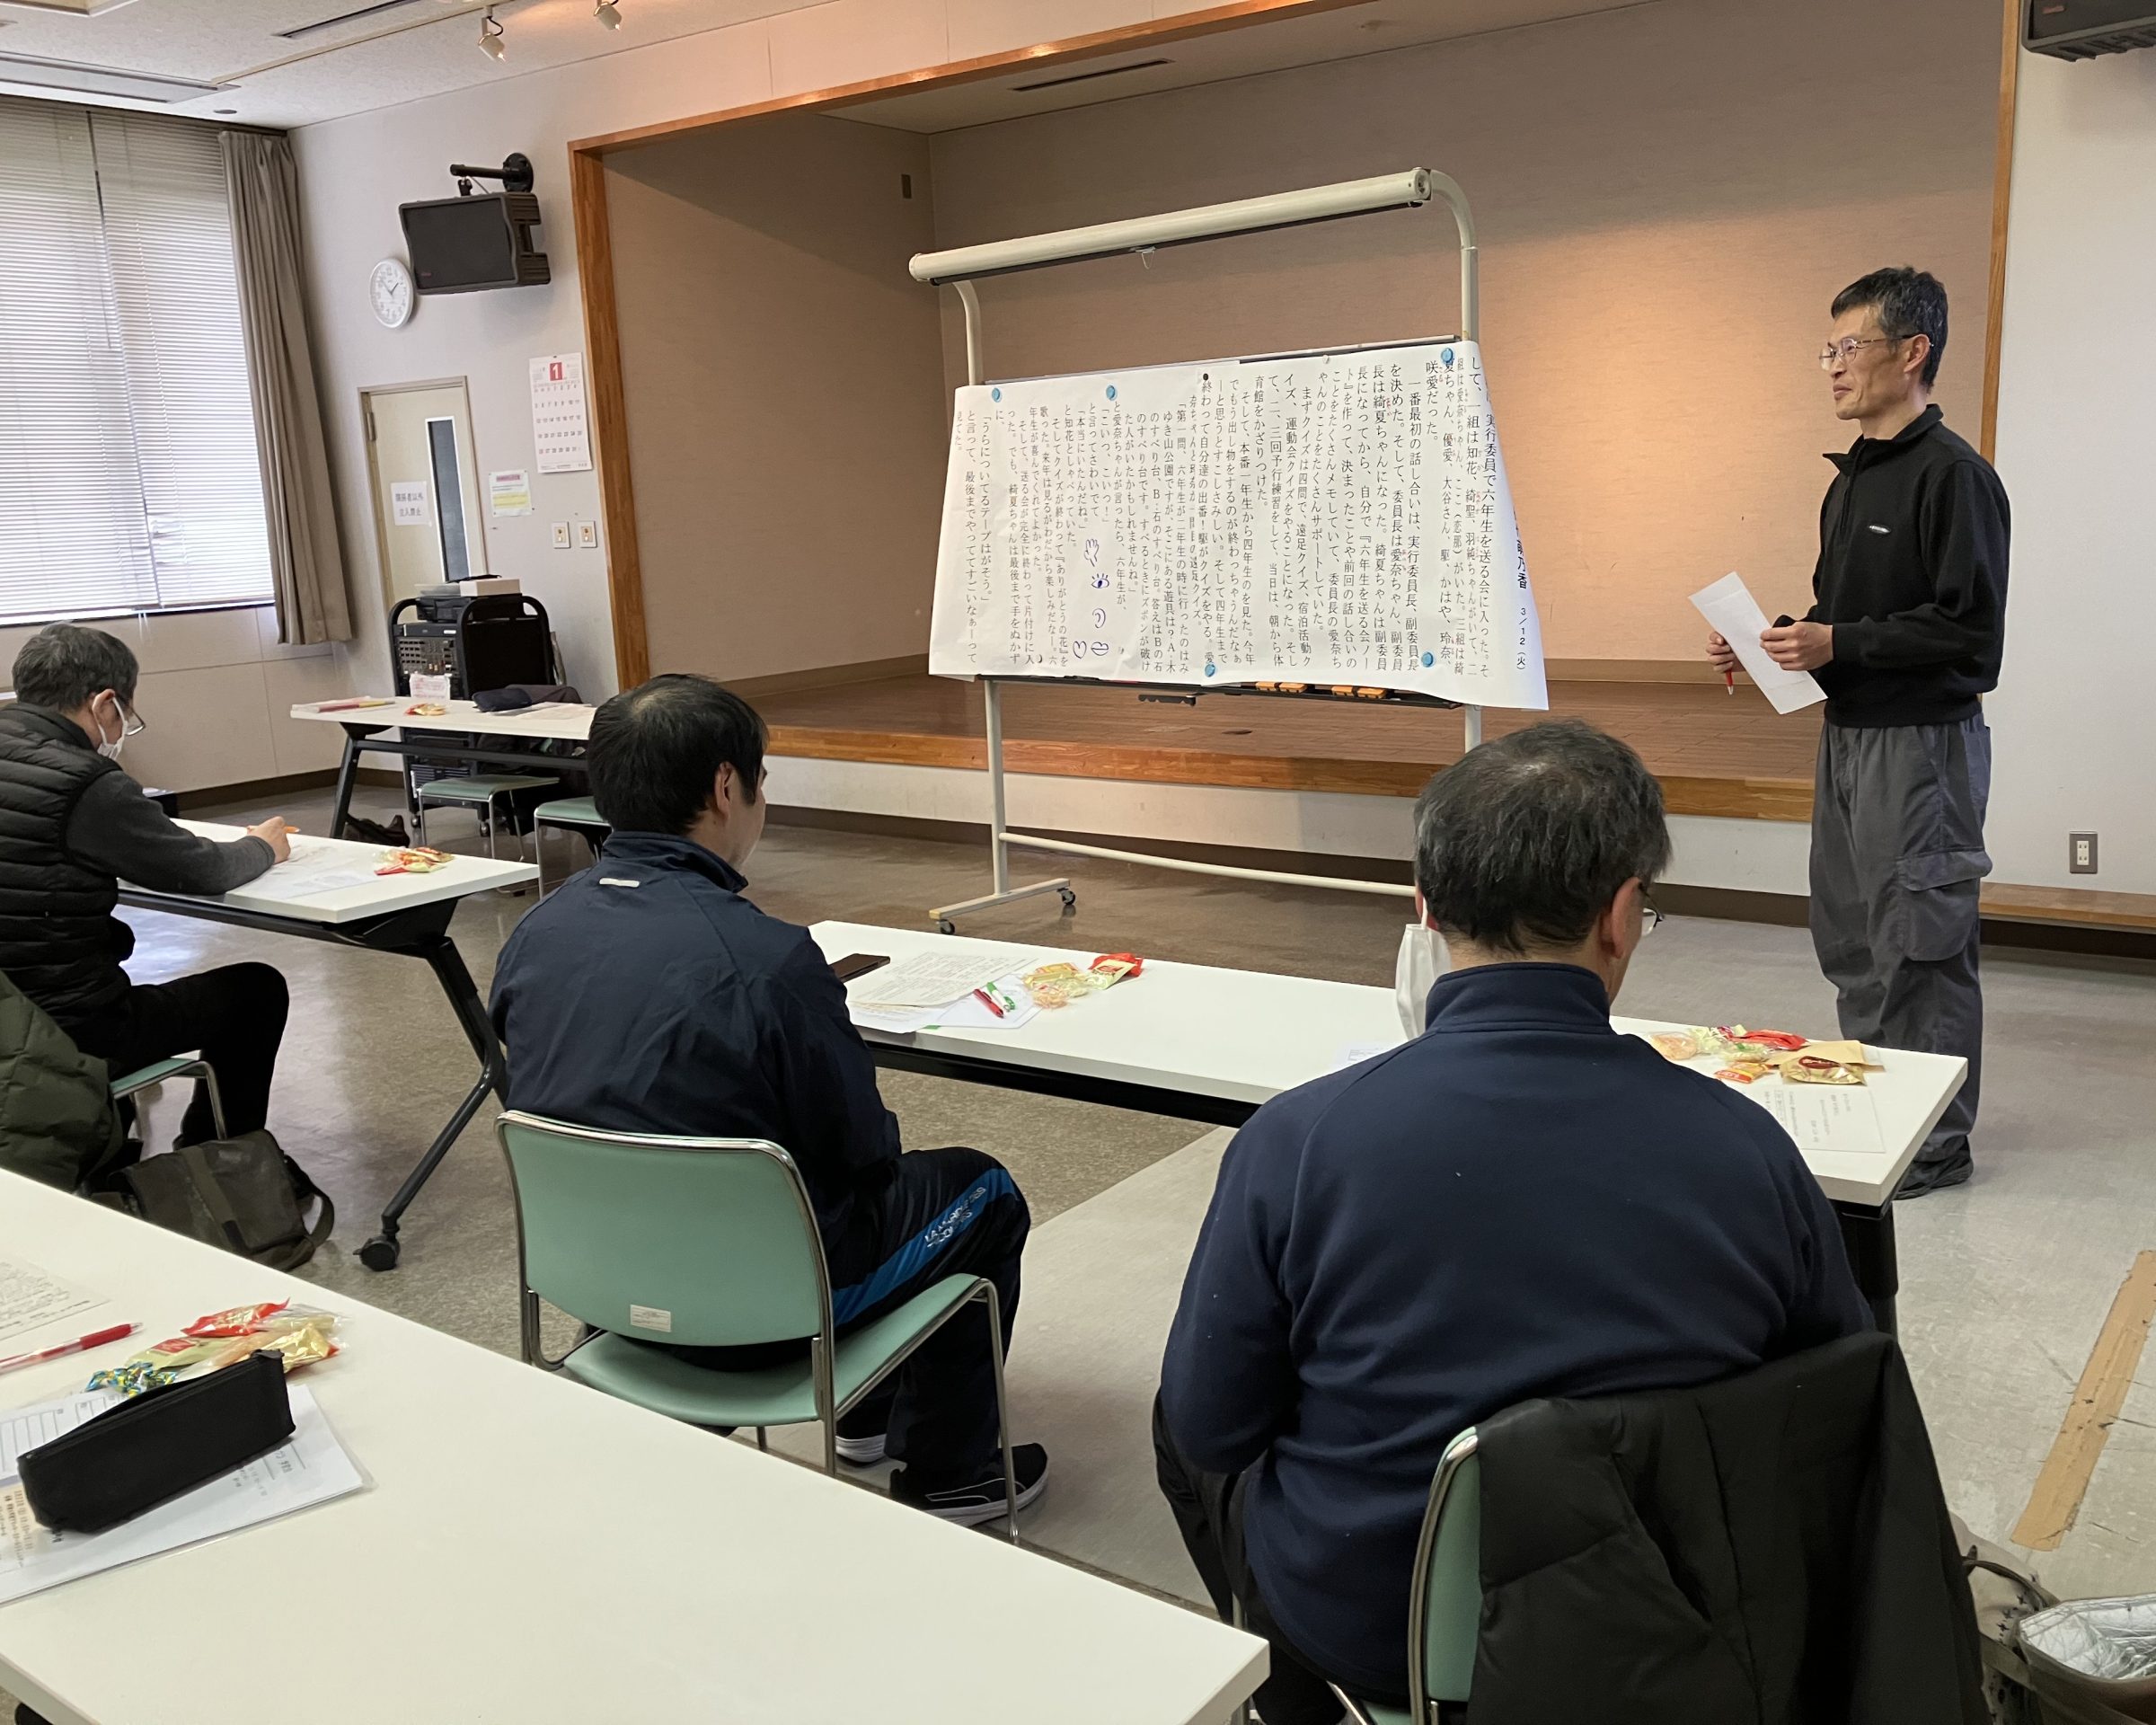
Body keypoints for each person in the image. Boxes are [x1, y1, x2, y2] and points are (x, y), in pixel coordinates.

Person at [1155, 721, 1871, 1722]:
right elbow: (1838, 1410)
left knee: (1179, 1423)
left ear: (1424, 906)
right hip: (1674, 1626)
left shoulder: (1296, 1141)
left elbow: (1213, 1425)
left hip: (1385, 1634)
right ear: (1622, 915)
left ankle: (1295, 1702)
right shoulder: (1750, 1149)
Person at [489, 673, 1046, 1524]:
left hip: (597, 1287)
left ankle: (863, 1415)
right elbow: (864, 1152)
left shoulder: (534, 935)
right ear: (727, 787)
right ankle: (950, 1470)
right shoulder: (768, 960)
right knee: (982, 1189)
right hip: (768, 1306)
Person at [1710, 266, 2010, 1196]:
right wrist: (1775, 643)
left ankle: (1934, 1142)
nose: (1833, 367)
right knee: (1849, 937)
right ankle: (1882, 1104)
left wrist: (1838, 641)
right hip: (1846, 740)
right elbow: (1843, 621)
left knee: (1919, 944)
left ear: (1912, 352)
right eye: (1827, 350)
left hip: (1922, 749)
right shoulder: (1849, 483)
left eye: (1849, 347)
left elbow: (1970, 635)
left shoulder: (1954, 477)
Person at [0, 624, 291, 1152]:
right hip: (64, 1029)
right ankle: (219, 1161)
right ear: (104, 703)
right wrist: (263, 846)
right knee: (256, 990)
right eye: (123, 715)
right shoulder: (85, 782)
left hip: (10, 1012)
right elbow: (202, 871)